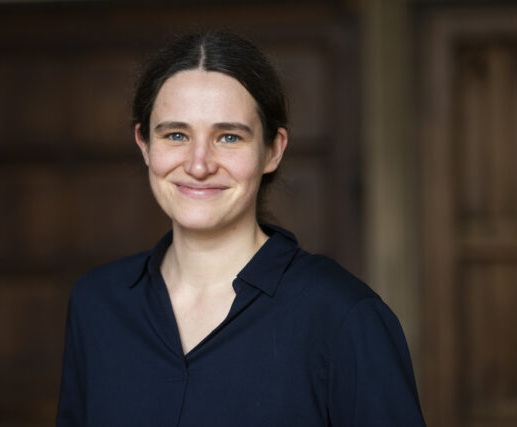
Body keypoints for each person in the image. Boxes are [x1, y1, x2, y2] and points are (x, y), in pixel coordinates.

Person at [56, 31, 425, 427]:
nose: (199, 165)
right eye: (176, 135)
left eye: (228, 137)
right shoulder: (97, 305)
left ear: (272, 150)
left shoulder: (343, 316)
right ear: (144, 144)